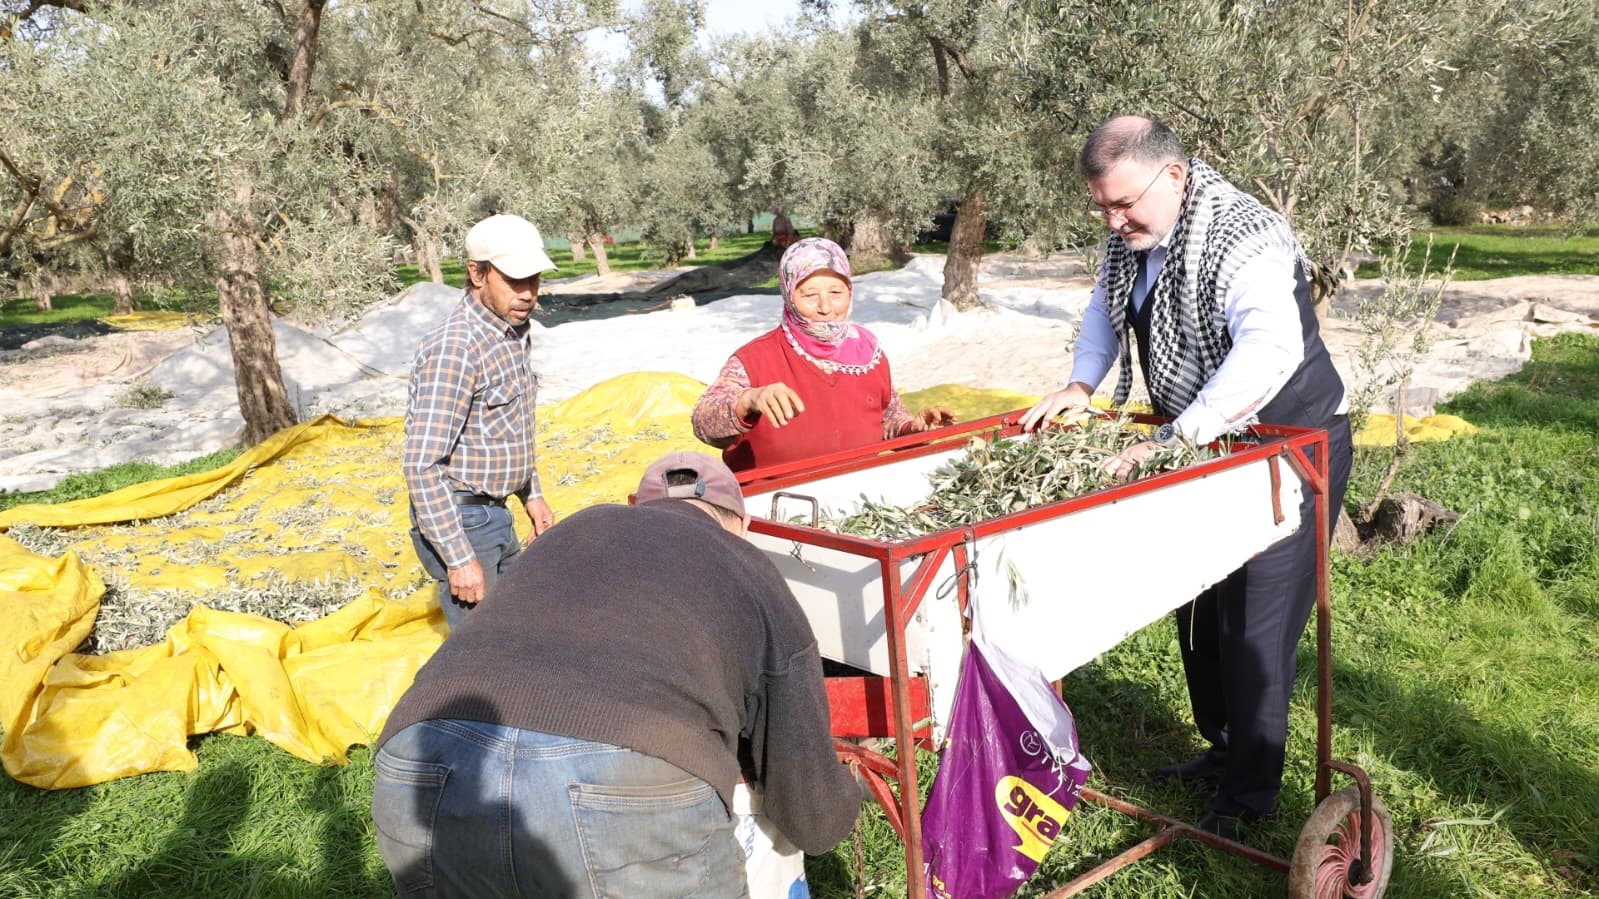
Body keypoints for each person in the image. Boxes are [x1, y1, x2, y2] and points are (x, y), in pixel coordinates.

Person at [1020, 116, 1353, 841]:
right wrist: (1080, 386)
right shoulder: (1131, 236)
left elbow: (1267, 350)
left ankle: (1250, 796)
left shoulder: (1245, 236)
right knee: (1198, 612)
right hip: (1200, 443)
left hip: (1287, 442)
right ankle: (1224, 746)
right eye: (1101, 208)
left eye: (1124, 205)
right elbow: (1104, 318)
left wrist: (1178, 435)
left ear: (1173, 175)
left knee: (1254, 626)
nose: (1113, 221)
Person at [371, 451, 861, 898]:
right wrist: (846, 793)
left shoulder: (572, 530)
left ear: (639, 508)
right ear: (742, 523)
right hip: (618, 778)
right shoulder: (748, 564)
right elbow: (812, 816)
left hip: (420, 754)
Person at [403, 213, 558, 631]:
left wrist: (532, 493)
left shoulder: (511, 333)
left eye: (535, 279)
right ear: (477, 273)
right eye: (514, 280)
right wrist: (458, 558)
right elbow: (421, 465)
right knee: (483, 647)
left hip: (497, 514)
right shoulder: (457, 348)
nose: (528, 293)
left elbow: (508, 427)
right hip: (465, 522)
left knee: (517, 629)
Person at [692, 236, 956, 472]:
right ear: (788, 294)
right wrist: (748, 400)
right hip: (773, 504)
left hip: (857, 500)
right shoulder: (754, 359)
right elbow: (704, 424)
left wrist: (915, 429)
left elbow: (889, 419)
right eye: (809, 295)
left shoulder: (867, 353)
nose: (825, 307)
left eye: (836, 293)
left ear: (849, 292)